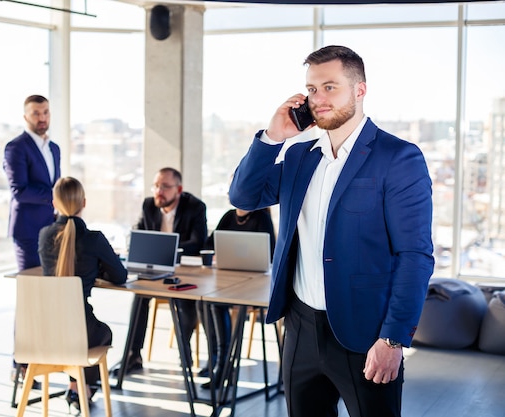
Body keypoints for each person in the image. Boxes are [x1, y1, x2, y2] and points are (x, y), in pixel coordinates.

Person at [229, 45, 434, 417]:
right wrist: (273, 137)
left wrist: (393, 339)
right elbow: (242, 195)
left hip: (367, 334)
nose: (318, 99)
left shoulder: (398, 158)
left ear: (360, 90)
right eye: (311, 90)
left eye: (330, 87)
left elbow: (414, 256)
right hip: (300, 328)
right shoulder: (297, 156)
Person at [38, 176, 127, 412]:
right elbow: (120, 276)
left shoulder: (45, 235)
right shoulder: (94, 239)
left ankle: (77, 388)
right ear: (84, 203)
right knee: (102, 333)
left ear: (54, 203)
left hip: (45, 330)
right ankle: (82, 389)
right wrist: (97, 268)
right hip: (79, 329)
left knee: (82, 335)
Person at [113, 167, 208, 375]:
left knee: (184, 298)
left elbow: (198, 241)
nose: (159, 191)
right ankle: (132, 356)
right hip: (155, 270)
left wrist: (165, 249)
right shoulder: (148, 205)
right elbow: (138, 234)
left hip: (183, 271)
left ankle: (185, 353)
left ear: (179, 189)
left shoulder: (195, 207)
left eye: (165, 186)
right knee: (139, 296)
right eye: (156, 185)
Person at [4, 94, 61, 385]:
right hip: (27, 233)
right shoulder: (16, 148)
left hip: (52, 232)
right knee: (29, 298)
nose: (42, 118)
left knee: (47, 297)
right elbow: (19, 191)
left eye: (46, 112)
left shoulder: (54, 148)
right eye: (36, 113)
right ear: (26, 116)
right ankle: (21, 363)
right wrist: (56, 196)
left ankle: (42, 357)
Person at [200, 207, 276, 387]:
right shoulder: (228, 216)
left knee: (216, 303)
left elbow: (270, 252)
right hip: (228, 278)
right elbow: (208, 244)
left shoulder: (262, 218)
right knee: (204, 302)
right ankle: (218, 361)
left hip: (255, 284)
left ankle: (223, 365)